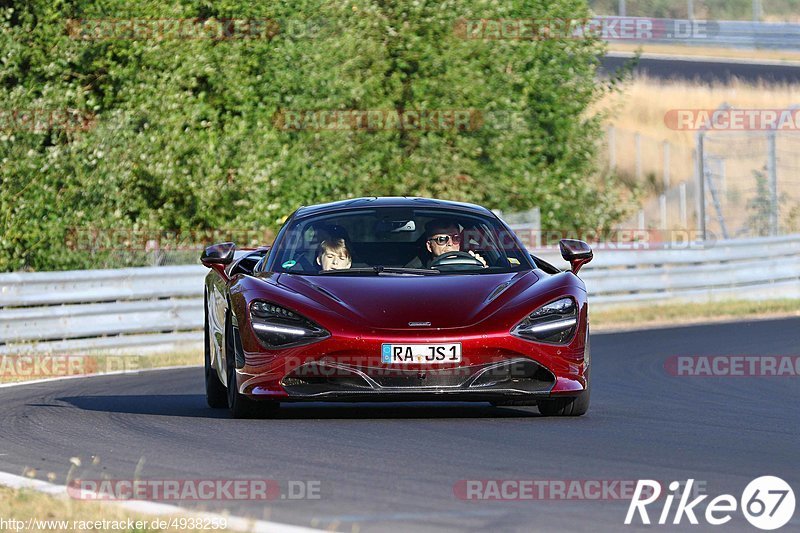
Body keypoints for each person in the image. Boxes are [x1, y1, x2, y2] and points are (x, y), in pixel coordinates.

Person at [409, 219, 487, 268]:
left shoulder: (471, 264)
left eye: (456, 238)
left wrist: (480, 268)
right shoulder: (418, 272)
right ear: (429, 246)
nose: (450, 243)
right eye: (442, 239)